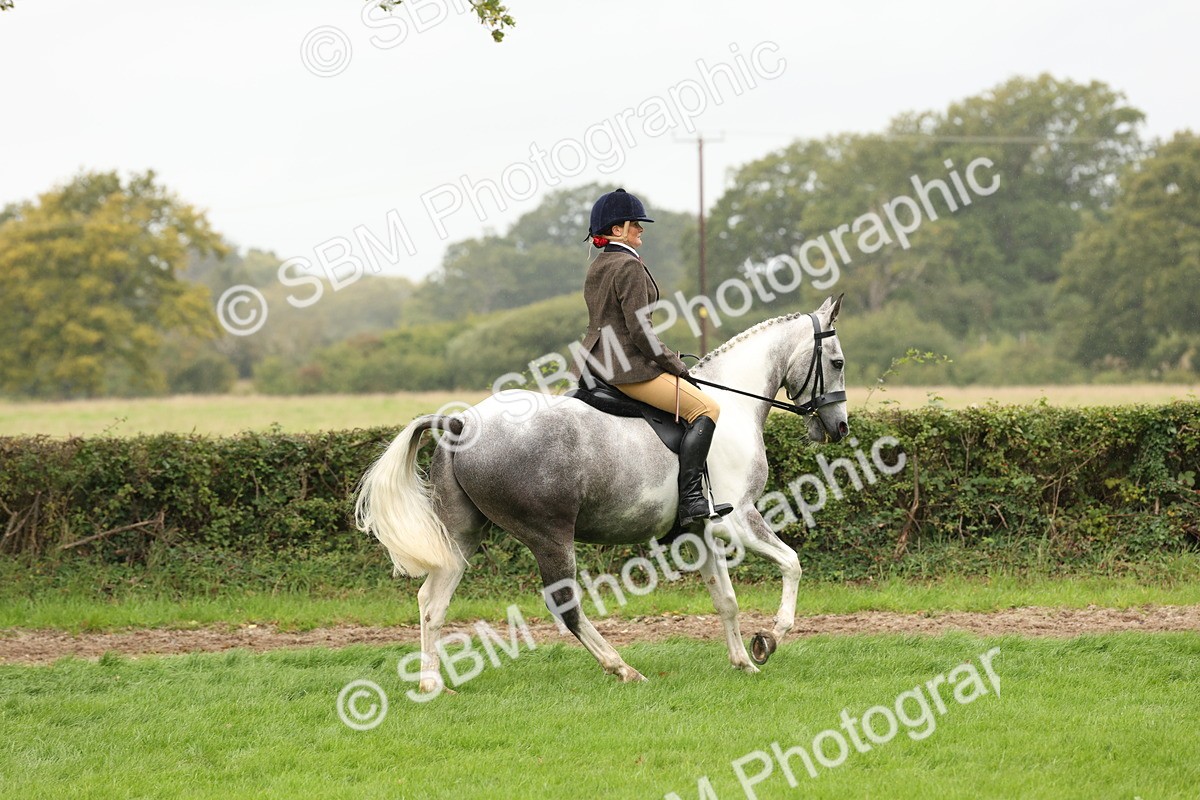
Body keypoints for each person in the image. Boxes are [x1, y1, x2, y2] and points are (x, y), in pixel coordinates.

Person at [576, 188, 732, 530]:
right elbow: (639, 331)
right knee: (707, 409)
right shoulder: (628, 265)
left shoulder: (599, 263)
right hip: (627, 369)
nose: (641, 230)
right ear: (617, 230)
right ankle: (691, 502)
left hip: (595, 363)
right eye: (636, 225)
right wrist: (675, 365)